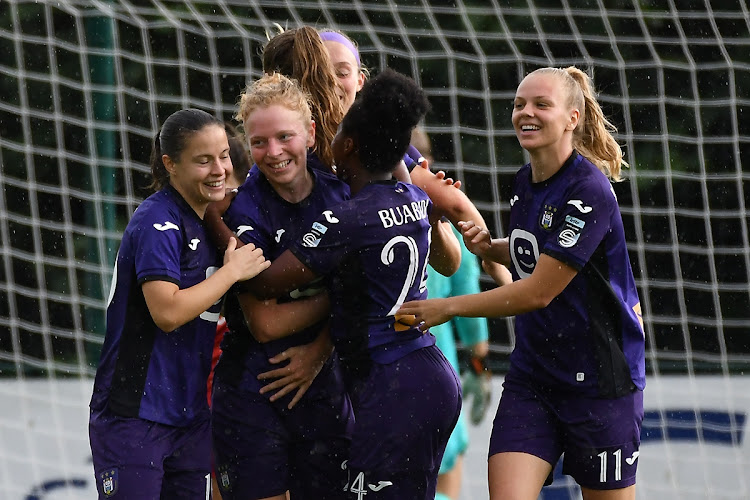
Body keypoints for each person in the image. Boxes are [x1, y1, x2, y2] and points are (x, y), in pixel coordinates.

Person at [398, 66, 646, 500]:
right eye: (518, 105)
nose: (525, 113)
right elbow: (535, 251)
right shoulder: (524, 182)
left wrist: (446, 309)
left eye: (540, 105)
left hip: (600, 385)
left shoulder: (589, 190)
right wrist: (488, 247)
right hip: (533, 378)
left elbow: (538, 290)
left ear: (572, 117)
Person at [246, 68, 462, 500]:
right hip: (428, 373)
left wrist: (216, 217)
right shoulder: (412, 197)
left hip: (394, 385)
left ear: (348, 146)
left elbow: (266, 282)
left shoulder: (346, 220)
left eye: (339, 132)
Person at [88, 108, 270, 500]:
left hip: (189, 416)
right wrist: (231, 271)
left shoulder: (214, 221)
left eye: (223, 155)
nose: (219, 169)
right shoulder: (157, 220)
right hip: (135, 414)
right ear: (170, 164)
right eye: (203, 160)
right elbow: (167, 313)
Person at [209, 73, 354, 500]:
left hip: (327, 386)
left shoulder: (342, 195)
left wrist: (319, 349)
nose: (273, 153)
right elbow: (266, 324)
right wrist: (342, 298)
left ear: (310, 134)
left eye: (284, 136)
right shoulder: (242, 211)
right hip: (253, 390)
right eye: (258, 142)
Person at [410, 126, 497, 500]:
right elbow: (467, 298)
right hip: (435, 360)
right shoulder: (444, 216)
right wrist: (480, 366)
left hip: (376, 362)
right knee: (444, 477)